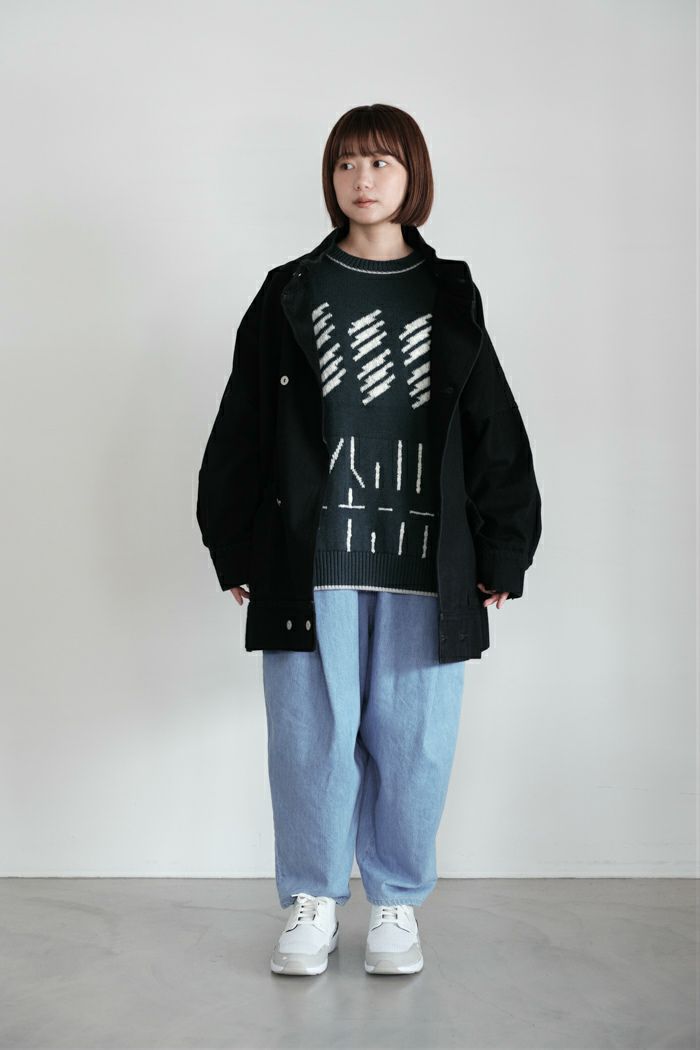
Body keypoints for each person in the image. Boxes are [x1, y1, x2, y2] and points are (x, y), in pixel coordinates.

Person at [196, 103, 542, 977]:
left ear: (412, 176)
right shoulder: (289, 290)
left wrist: (504, 549)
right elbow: (242, 424)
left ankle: (396, 902)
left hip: (427, 563)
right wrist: (231, 542)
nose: (362, 178)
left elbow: (494, 428)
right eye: (347, 162)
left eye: (382, 162)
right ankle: (312, 899)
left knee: (416, 742)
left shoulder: (449, 292)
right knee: (309, 737)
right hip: (311, 560)